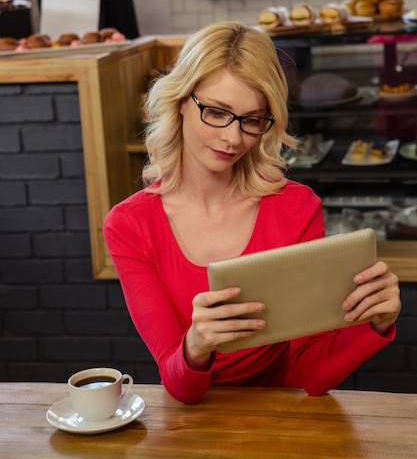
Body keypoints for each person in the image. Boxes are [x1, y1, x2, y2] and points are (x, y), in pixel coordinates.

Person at [104, 21, 401, 404]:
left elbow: (311, 376)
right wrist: (195, 346)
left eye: (252, 120)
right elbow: (180, 387)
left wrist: (375, 324)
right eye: (216, 111)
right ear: (180, 102)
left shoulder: (296, 207)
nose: (233, 138)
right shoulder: (130, 224)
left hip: (282, 415)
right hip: (196, 423)